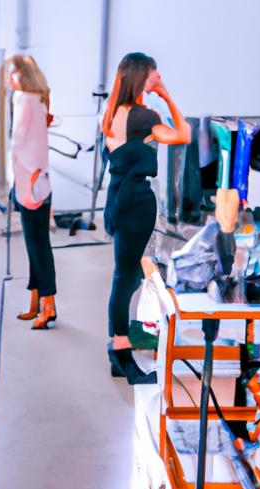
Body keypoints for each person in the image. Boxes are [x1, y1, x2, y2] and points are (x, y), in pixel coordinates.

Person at [102, 52, 191, 384]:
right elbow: (182, 134)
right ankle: (121, 352)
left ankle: (119, 347)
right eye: (154, 74)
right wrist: (166, 96)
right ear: (142, 76)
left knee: (123, 275)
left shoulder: (113, 112)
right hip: (136, 200)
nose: (158, 78)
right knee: (126, 278)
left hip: (117, 198)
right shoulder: (143, 117)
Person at [7, 54, 57, 330]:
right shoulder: (40, 100)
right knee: (37, 244)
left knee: (36, 246)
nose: (9, 79)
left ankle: (46, 304)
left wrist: (19, 175)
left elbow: (18, 144)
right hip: (40, 179)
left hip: (30, 181)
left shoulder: (25, 101)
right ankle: (37, 300)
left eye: (12, 74)